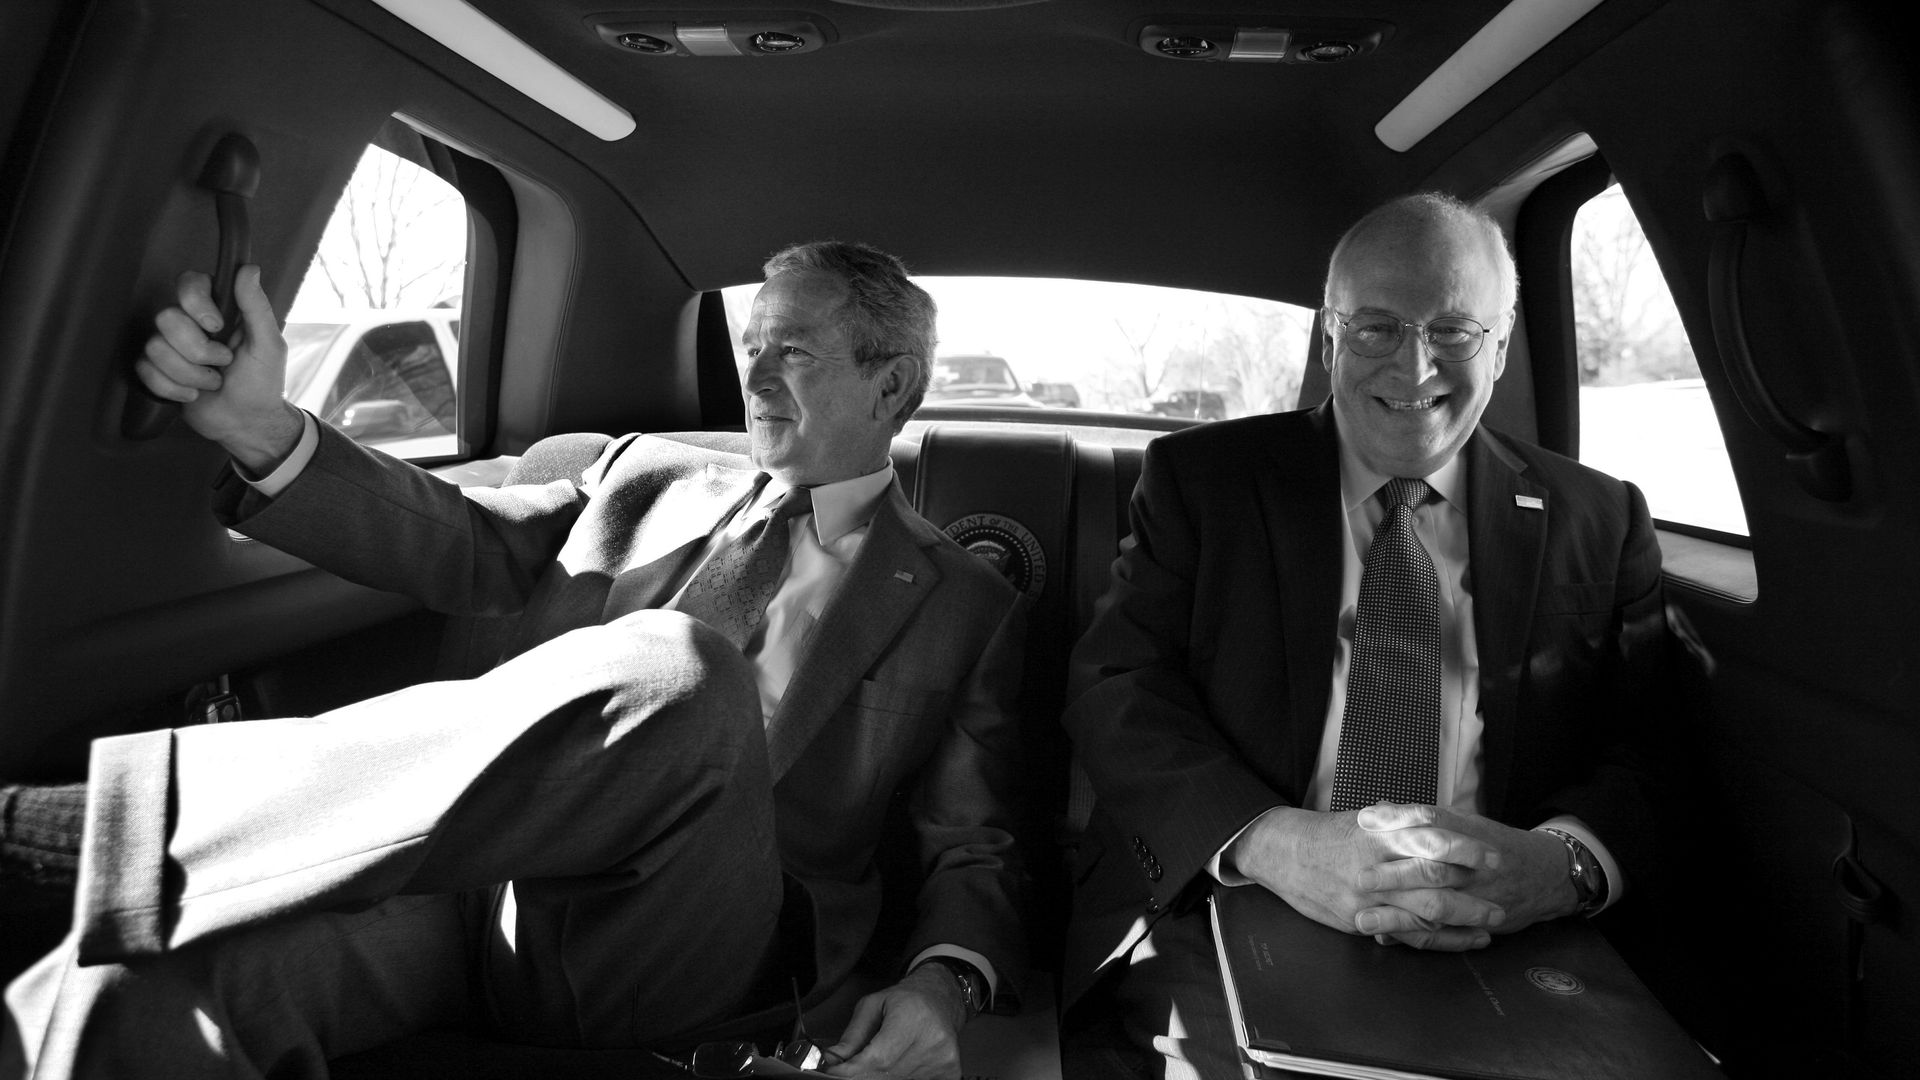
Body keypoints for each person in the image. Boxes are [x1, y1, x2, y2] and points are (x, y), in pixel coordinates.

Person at [2, 241, 1027, 1080]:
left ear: (891, 383)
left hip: (697, 946)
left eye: (793, 351)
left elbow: (971, 842)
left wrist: (950, 981)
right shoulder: (639, 475)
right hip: (480, 897)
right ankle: (124, 872)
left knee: (682, 678)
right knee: (126, 996)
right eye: (751, 343)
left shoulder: (963, 603)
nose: (753, 375)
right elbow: (454, 537)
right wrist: (263, 429)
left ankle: (68, 836)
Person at [1059, 193, 1673, 1078]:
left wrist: (1562, 865)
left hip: (1505, 935)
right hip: (1234, 901)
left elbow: (1652, 747)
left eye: (1454, 330)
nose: (1415, 364)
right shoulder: (1206, 483)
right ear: (1329, 339)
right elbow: (1117, 684)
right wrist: (1276, 844)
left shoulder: (1600, 516)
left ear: (1499, 347)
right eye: (1377, 327)